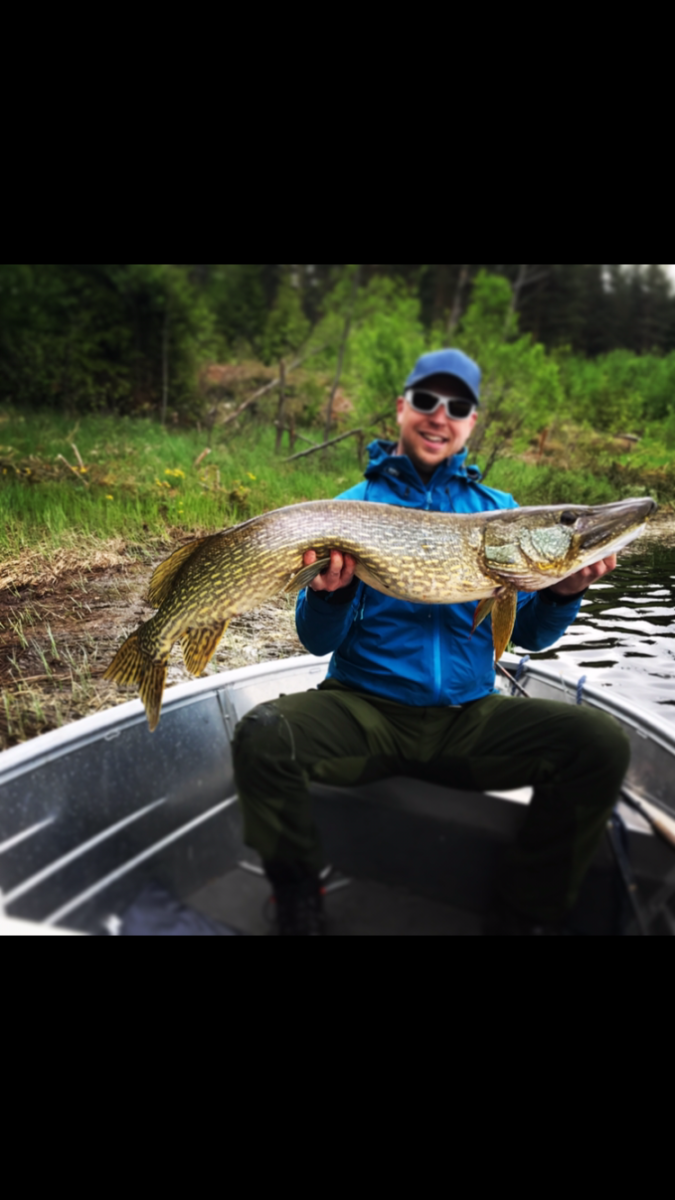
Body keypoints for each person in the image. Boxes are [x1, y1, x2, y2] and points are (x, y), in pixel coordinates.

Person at [232, 349, 629, 935]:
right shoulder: (349, 508)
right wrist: (332, 595)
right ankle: (299, 896)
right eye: (426, 401)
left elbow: (529, 634)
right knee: (262, 738)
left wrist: (563, 592)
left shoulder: (500, 515)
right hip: (364, 712)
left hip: (467, 719)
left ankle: (527, 915)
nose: (439, 416)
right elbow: (316, 642)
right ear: (401, 408)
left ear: (472, 421)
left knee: (599, 743)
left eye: (458, 405)